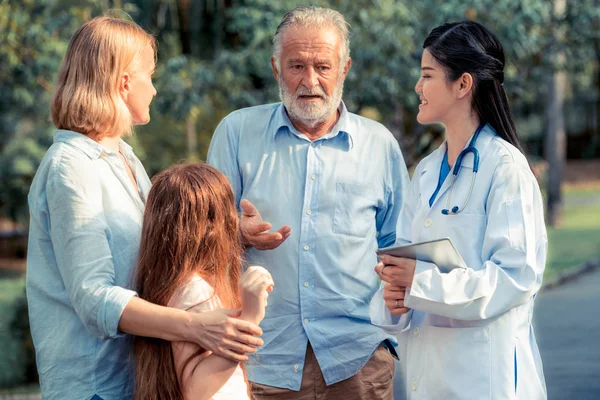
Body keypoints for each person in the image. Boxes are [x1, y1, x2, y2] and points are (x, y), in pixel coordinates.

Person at [26, 16, 262, 400]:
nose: (153, 89)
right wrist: (195, 326)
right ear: (123, 83)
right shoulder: (70, 168)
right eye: (149, 76)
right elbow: (94, 298)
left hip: (134, 380)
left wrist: (235, 232)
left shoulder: (124, 157)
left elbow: (163, 246)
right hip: (94, 388)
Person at [207, 6, 410, 399]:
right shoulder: (236, 132)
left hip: (358, 359)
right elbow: (202, 235)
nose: (310, 80)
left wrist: (388, 334)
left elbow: (398, 246)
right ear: (276, 68)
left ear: (345, 68)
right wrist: (237, 233)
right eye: (296, 65)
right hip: (264, 357)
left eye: (323, 66)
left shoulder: (379, 144)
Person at [370, 21, 547, 399]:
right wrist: (394, 298)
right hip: (428, 379)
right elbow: (404, 259)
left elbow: (514, 279)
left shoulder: (505, 169)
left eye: (427, 75)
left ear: (463, 84)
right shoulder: (427, 171)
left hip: (486, 381)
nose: (418, 87)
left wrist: (417, 282)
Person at [132, 163, 274, 400]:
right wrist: (251, 316)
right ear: (212, 224)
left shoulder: (172, 283)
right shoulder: (193, 291)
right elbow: (195, 390)